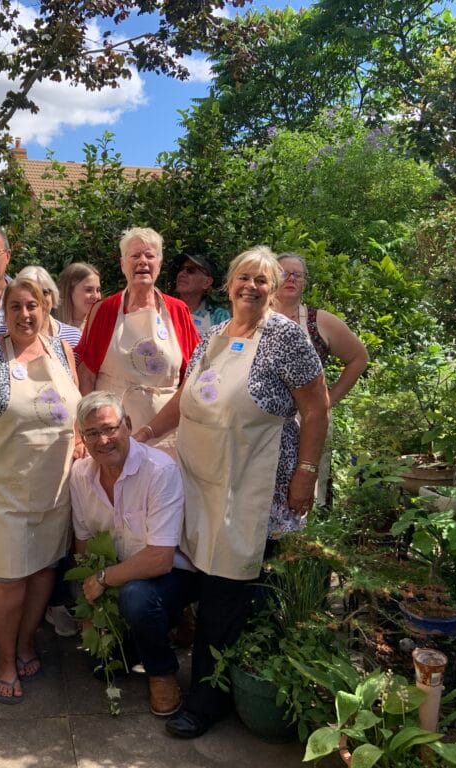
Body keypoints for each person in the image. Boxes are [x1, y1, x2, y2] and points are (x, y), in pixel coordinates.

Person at [134, 246, 329, 739]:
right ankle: (199, 677)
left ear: (273, 287)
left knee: (227, 595)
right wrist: (145, 434)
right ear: (228, 284)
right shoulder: (214, 335)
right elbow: (184, 397)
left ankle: (207, 698)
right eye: (244, 278)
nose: (252, 287)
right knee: (205, 587)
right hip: (203, 485)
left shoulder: (286, 338)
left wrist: (305, 471)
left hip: (253, 492)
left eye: (263, 280)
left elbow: (317, 407)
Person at [0, 278, 82, 705]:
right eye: (15, 307)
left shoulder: (63, 353)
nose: (25, 315)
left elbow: (76, 412)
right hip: (2, 493)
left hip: (55, 489)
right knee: (9, 579)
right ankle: (6, 660)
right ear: (4, 314)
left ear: (46, 309)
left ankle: (27, 643)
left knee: (44, 572)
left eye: (33, 306)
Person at [70, 391, 194, 717]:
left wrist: (102, 579)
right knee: (103, 667)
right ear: (82, 437)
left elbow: (160, 558)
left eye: (110, 428)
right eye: (93, 433)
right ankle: (147, 634)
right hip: (114, 574)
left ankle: (162, 673)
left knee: (137, 597)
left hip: (170, 574)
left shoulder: (159, 471)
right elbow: (83, 544)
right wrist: (89, 609)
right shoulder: (81, 475)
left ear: (127, 425)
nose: (104, 440)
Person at [75, 228, 199, 454]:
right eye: (135, 256)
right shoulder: (105, 310)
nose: (143, 261)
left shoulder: (178, 310)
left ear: (159, 264)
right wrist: (86, 430)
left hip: (167, 433)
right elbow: (86, 374)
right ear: (123, 264)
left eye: (150, 256)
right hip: (112, 432)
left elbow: (192, 377)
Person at [273, 252, 368, 507]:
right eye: (284, 273)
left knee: (302, 483)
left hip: (307, 419)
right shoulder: (255, 316)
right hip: (261, 419)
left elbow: (359, 358)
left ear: (304, 282)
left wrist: (328, 400)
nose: (291, 279)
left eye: (298, 275)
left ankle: (298, 538)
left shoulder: (319, 321)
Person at [172, 253, 230, 334]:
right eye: (181, 269)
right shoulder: (163, 308)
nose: (182, 274)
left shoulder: (219, 316)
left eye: (190, 270)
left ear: (207, 282)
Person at [56, 262, 102, 328]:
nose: (96, 296)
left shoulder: (103, 325)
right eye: (88, 290)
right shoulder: (50, 327)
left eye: (98, 290)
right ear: (69, 291)